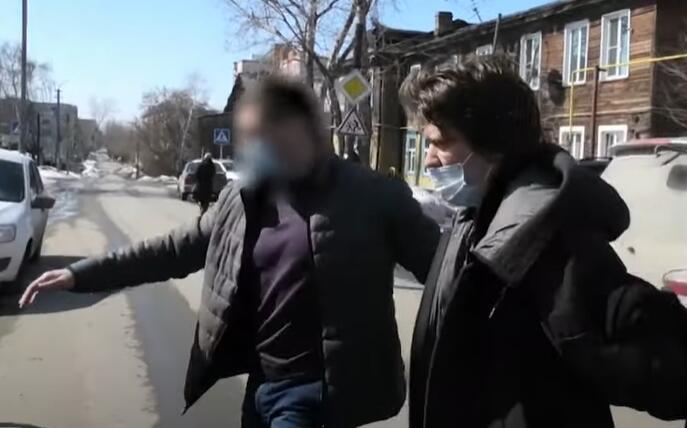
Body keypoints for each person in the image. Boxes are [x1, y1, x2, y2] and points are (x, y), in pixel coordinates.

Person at [19, 76, 440, 428]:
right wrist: (80, 274)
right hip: (262, 385)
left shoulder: (374, 196)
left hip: (318, 393)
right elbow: (171, 250)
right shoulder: (244, 199)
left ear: (301, 131)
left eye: (262, 136)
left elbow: (444, 272)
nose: (252, 147)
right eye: (249, 137)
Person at [400, 56, 687, 428]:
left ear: (494, 143)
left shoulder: (548, 240)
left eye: (441, 143)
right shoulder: (475, 217)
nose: (429, 161)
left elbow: (659, 358)